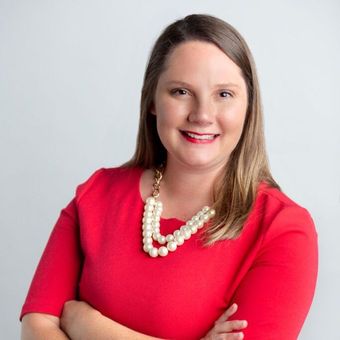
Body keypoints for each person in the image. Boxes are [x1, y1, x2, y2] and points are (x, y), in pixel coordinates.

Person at [20, 14, 318, 339]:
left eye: (224, 94)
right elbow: (36, 327)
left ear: (249, 107)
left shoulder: (282, 230)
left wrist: (86, 325)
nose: (202, 114)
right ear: (152, 100)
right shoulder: (96, 195)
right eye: (180, 92)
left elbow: (57, 322)